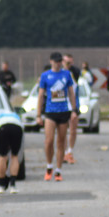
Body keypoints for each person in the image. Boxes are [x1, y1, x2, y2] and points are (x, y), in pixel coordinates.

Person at [35, 52, 76, 182]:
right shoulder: (45, 75)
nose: (58, 64)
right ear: (51, 61)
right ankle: (49, 166)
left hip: (63, 111)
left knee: (61, 141)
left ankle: (58, 170)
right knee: (49, 141)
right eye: (56, 61)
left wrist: (74, 110)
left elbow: (71, 92)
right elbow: (40, 95)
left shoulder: (66, 74)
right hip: (50, 112)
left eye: (60, 61)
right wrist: (38, 115)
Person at [0, 112, 24, 194]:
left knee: (2, 156)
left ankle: (1, 185)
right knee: (15, 156)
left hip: (2, 128)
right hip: (17, 128)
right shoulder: (17, 118)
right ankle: (13, 185)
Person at [62, 54, 81, 164]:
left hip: (74, 104)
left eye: (70, 62)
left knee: (73, 130)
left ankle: (70, 151)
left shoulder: (75, 72)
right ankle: (64, 152)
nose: (68, 64)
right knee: (63, 130)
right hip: (63, 105)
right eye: (66, 62)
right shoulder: (58, 72)